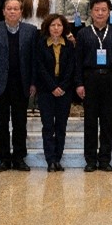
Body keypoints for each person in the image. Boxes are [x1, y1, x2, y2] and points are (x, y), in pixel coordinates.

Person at [0, 0, 38, 172]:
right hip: (0, 84)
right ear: (3, 11)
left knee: (20, 123)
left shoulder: (31, 31)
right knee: (1, 123)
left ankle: (19, 158)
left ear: (21, 12)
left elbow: (34, 59)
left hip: (22, 83)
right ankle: (4, 159)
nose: (12, 11)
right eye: (9, 8)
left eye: (16, 8)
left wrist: (33, 82)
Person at [76, 0, 112, 172]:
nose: (100, 13)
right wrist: (79, 83)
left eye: (104, 10)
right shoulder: (83, 33)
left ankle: (104, 159)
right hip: (90, 78)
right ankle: (90, 160)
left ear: (109, 13)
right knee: (90, 122)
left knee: (107, 123)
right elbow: (77, 61)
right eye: (96, 10)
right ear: (91, 12)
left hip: (110, 79)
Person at [35, 14, 78, 172]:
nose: (56, 28)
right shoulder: (41, 44)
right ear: (47, 27)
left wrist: (62, 86)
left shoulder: (69, 45)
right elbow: (40, 68)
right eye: (53, 25)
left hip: (64, 90)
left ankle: (58, 159)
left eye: (59, 25)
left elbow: (71, 68)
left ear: (64, 28)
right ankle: (50, 160)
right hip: (46, 90)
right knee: (48, 126)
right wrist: (52, 87)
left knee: (61, 126)